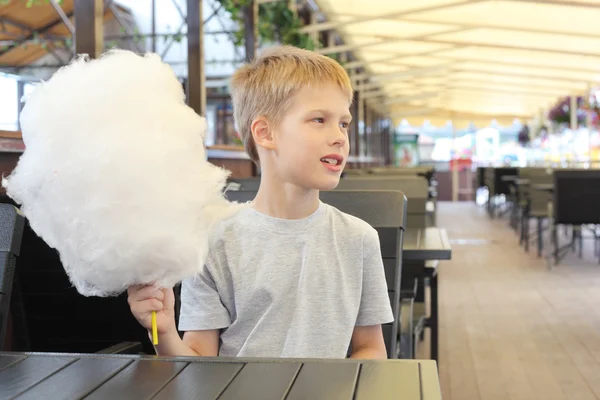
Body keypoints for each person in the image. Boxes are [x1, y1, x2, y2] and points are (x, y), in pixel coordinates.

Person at [127, 45, 394, 359]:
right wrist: (164, 331)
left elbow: (370, 348)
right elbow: (199, 361)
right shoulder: (214, 241)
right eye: (319, 119)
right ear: (266, 133)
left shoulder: (359, 240)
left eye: (344, 123)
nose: (339, 136)